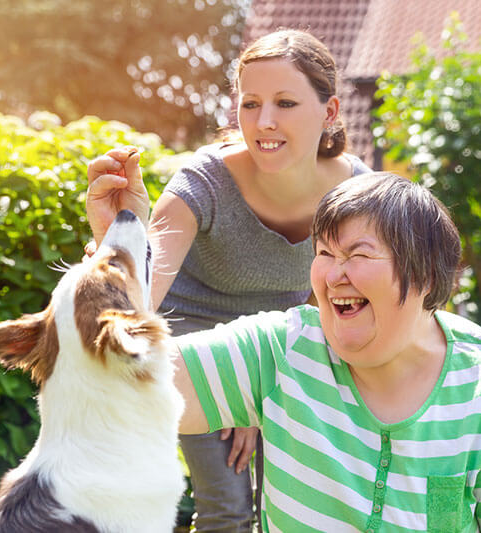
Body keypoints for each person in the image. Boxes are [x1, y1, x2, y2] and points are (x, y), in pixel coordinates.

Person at [85, 29, 371, 532]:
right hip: (192, 340)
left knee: (308, 509)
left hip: (288, 342)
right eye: (251, 103)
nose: (264, 122)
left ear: (328, 113)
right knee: (231, 510)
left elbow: (338, 295)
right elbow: (142, 293)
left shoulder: (355, 191)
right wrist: (116, 238)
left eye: (285, 103)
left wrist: (263, 385)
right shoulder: (205, 181)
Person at [173, 172, 481, 532]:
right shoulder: (282, 350)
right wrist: (116, 246)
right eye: (324, 254)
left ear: (425, 274)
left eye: (357, 255)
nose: (332, 275)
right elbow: (133, 382)